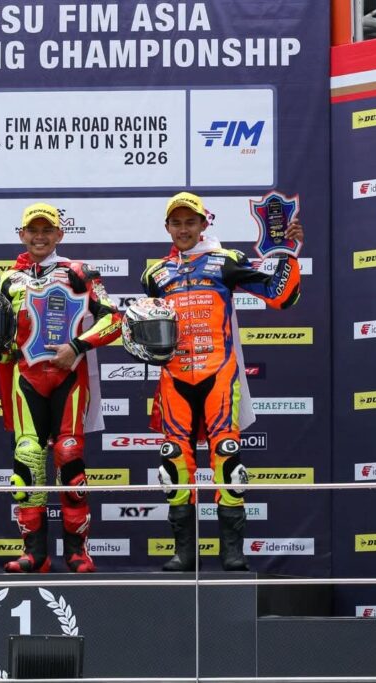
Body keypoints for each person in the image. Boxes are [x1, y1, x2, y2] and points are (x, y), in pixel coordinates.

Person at [140, 192, 303, 572]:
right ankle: (184, 552)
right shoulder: (154, 275)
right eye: (177, 223)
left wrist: (290, 253)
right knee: (173, 461)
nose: (183, 229)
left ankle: (232, 551)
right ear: (167, 227)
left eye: (190, 222)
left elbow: (280, 296)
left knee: (227, 456)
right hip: (174, 377)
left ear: (203, 224)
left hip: (219, 373)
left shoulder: (226, 261)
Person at [0, 202, 122, 573]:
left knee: (69, 456)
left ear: (60, 234)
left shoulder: (79, 272)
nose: (39, 237)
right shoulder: (7, 281)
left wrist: (76, 346)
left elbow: (114, 320)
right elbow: (0, 341)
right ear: (22, 235)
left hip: (68, 376)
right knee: (27, 459)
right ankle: (35, 554)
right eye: (33, 230)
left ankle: (78, 552)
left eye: (47, 230)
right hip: (26, 379)